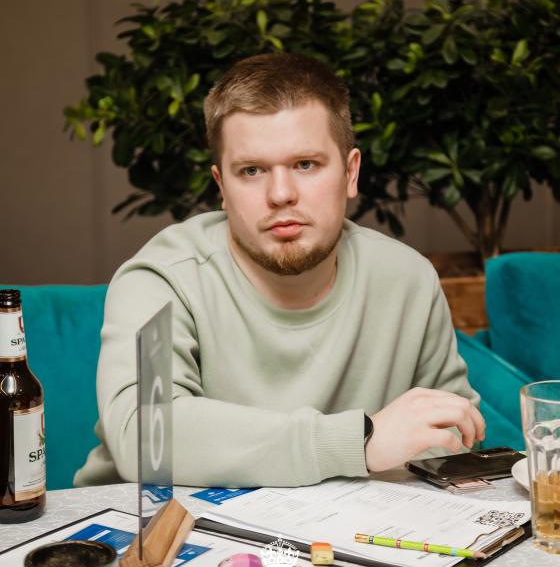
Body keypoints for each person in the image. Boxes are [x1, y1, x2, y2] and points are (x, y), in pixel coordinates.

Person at [76, 53, 484, 488]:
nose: (281, 194)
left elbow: (453, 435)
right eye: (251, 171)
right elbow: (147, 438)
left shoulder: (407, 279)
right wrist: (356, 442)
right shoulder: (160, 280)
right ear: (222, 187)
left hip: (348, 524)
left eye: (305, 165)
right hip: (147, 522)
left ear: (350, 173)